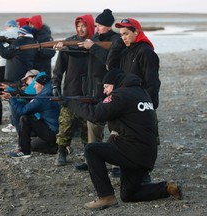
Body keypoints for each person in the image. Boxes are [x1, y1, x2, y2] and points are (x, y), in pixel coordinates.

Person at [66, 69, 182, 211]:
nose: (104, 91)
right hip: (145, 153)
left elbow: (96, 115)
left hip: (131, 149)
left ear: (115, 85)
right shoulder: (141, 92)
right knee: (129, 194)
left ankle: (106, 197)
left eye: (106, 87)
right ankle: (166, 188)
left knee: (92, 150)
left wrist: (71, 104)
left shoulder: (120, 95)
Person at [75, 9, 125, 171]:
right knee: (93, 124)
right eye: (96, 25)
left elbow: (111, 62)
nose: (96, 28)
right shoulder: (94, 39)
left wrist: (93, 47)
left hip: (111, 88)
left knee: (115, 127)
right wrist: (63, 47)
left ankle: (119, 163)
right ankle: (93, 161)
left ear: (107, 26)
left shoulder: (117, 40)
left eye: (99, 25)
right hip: (94, 88)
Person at [52, 14, 95, 166]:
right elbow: (58, 69)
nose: (80, 29)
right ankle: (61, 152)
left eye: (84, 26)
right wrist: (56, 84)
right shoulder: (69, 43)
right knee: (65, 125)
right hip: (70, 91)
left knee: (86, 127)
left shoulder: (95, 44)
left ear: (90, 26)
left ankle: (88, 155)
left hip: (89, 93)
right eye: (78, 26)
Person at [110, 18, 161, 146]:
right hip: (127, 102)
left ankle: (143, 164)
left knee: (145, 140)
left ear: (136, 32)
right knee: (126, 137)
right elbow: (111, 67)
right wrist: (116, 47)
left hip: (142, 104)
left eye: (126, 34)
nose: (123, 38)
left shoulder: (146, 52)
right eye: (121, 35)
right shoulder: (126, 51)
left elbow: (152, 83)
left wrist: (147, 106)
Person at [0, 25, 37, 130]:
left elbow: (4, 53)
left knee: (14, 100)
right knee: (23, 100)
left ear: (22, 33)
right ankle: (20, 123)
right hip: (25, 75)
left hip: (14, 77)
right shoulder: (33, 42)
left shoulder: (19, 42)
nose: (18, 36)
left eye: (19, 34)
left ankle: (15, 123)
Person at [6, 75, 61, 158]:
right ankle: (58, 148)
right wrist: (12, 91)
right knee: (32, 145)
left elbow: (22, 111)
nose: (34, 86)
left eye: (36, 84)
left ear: (42, 86)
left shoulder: (43, 98)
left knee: (25, 118)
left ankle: (24, 151)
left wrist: (10, 98)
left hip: (52, 133)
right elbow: (33, 100)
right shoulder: (51, 91)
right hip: (58, 132)